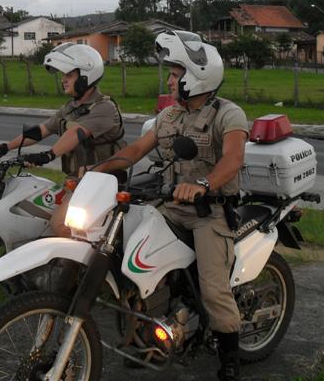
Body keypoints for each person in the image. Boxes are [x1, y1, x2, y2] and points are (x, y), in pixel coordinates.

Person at [94, 30, 248, 381]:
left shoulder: (228, 114)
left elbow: (233, 159)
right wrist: (95, 170)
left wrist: (203, 185)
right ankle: (146, 337)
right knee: (132, 262)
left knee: (213, 289)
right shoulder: (169, 116)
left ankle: (229, 358)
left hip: (210, 213)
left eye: (175, 74)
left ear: (196, 78)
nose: (169, 79)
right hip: (171, 207)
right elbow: (135, 151)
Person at [0, 42, 126, 236]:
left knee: (60, 225)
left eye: (69, 75)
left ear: (86, 75)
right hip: (78, 181)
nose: (63, 80)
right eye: (64, 76)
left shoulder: (104, 108)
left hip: (102, 183)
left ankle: (82, 265)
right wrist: (4, 147)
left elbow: (77, 132)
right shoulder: (71, 108)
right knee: (33, 210)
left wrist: (48, 155)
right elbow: (42, 130)